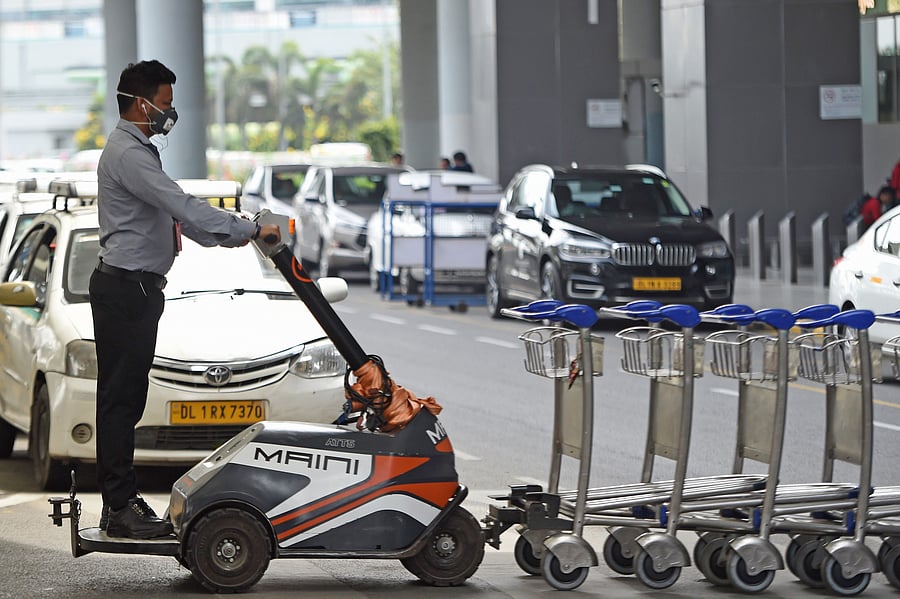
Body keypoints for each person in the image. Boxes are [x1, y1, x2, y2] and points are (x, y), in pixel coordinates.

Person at [90, 60, 281, 539]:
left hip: (134, 288)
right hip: (126, 289)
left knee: (126, 398)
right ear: (140, 104)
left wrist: (238, 235)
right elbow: (182, 204)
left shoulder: (140, 152)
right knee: (121, 401)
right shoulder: (129, 154)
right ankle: (118, 509)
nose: (169, 114)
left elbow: (185, 221)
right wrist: (250, 228)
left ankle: (120, 502)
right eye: (165, 105)